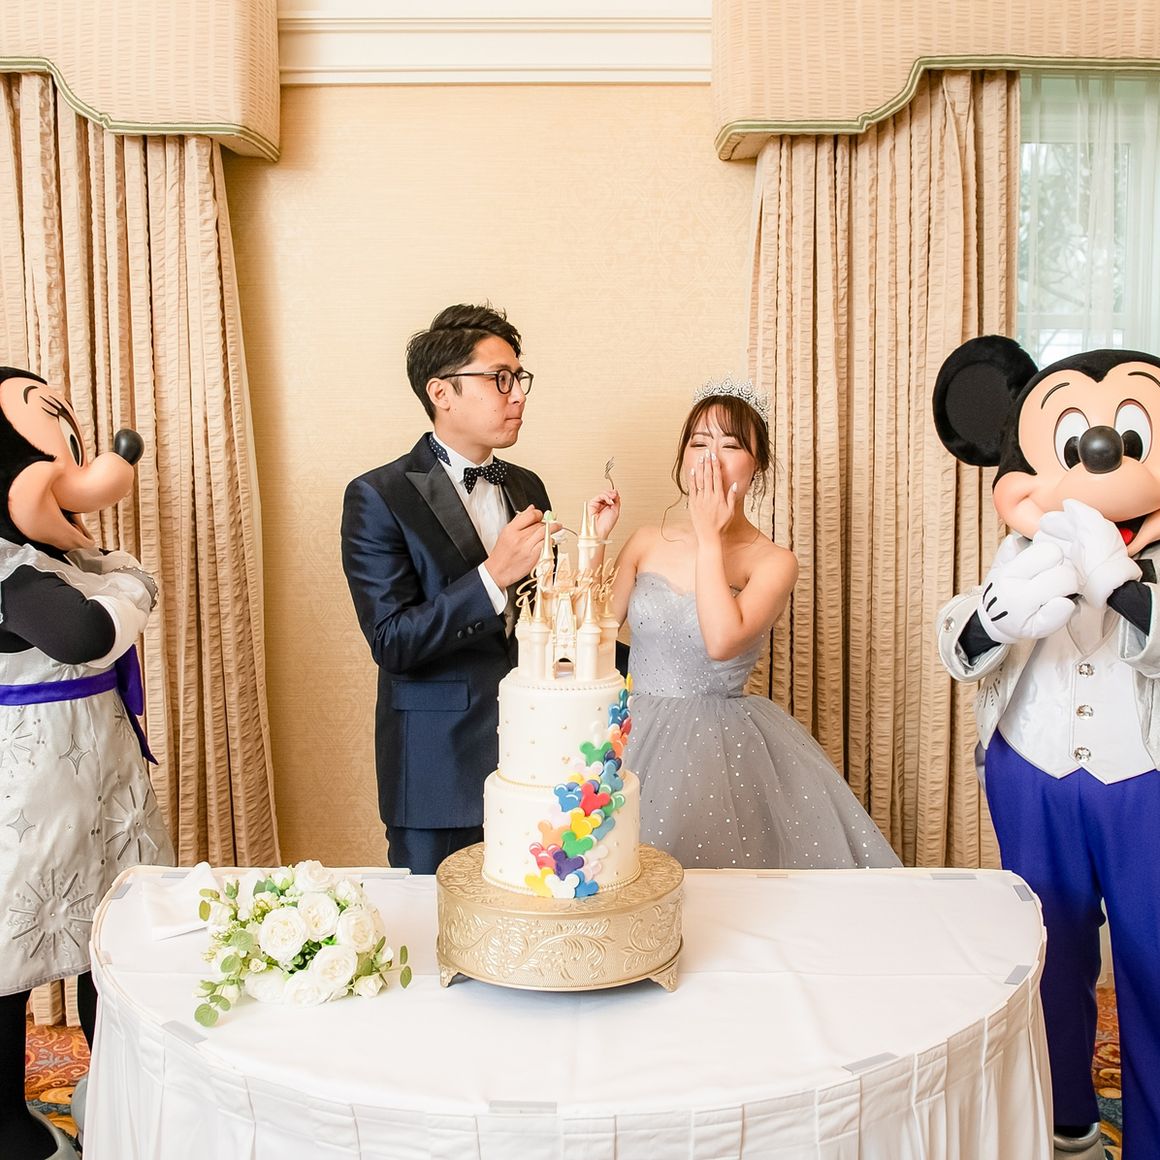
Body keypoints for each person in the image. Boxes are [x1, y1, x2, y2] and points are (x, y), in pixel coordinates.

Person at [598, 377, 899, 869]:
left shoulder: (774, 561)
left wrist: (709, 538)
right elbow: (596, 633)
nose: (711, 458)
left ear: (756, 465)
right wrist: (596, 541)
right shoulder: (647, 540)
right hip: (631, 731)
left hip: (719, 747)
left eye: (731, 445)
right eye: (699, 443)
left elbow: (722, 641)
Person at [0, 367, 173, 1160]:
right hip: (32, 787)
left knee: (115, 936)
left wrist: (110, 575)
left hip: (101, 774)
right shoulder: (10, 567)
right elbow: (81, 636)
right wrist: (131, 581)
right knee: (14, 952)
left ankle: (112, 1092)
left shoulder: (59, 557)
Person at [341, 304, 555, 875]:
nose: (518, 395)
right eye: (500, 379)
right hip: (437, 768)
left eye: (520, 379)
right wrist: (491, 576)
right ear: (442, 392)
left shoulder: (527, 485)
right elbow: (393, 641)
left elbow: (538, 619)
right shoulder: (379, 495)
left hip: (535, 759)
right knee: (434, 924)